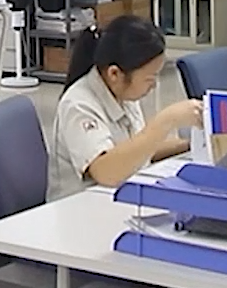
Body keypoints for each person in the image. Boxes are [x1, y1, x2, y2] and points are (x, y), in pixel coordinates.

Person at [50, 15, 203, 199]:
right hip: (80, 205)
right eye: (149, 78)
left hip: (119, 195)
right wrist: (165, 122)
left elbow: (137, 150)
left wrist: (191, 145)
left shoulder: (123, 92)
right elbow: (106, 172)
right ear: (115, 73)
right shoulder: (78, 105)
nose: (154, 85)